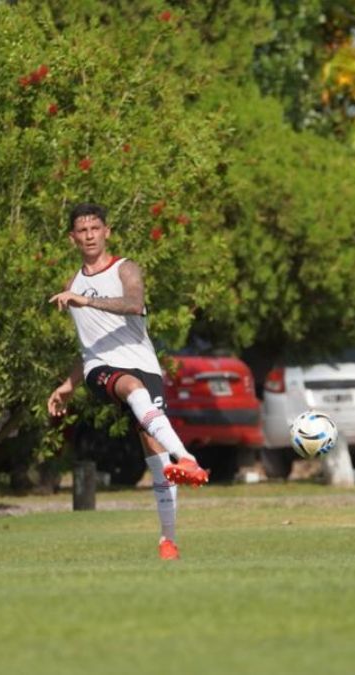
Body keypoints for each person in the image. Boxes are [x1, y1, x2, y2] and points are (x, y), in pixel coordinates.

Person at [48, 202, 209, 561]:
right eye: (82, 230)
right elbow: (89, 344)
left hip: (144, 365)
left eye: (95, 228)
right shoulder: (71, 284)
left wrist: (85, 301)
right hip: (101, 370)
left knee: (156, 455)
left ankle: (168, 540)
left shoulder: (126, 268)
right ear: (72, 237)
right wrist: (73, 382)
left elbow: (135, 304)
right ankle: (188, 457)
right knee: (132, 390)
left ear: (107, 232)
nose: (89, 235)